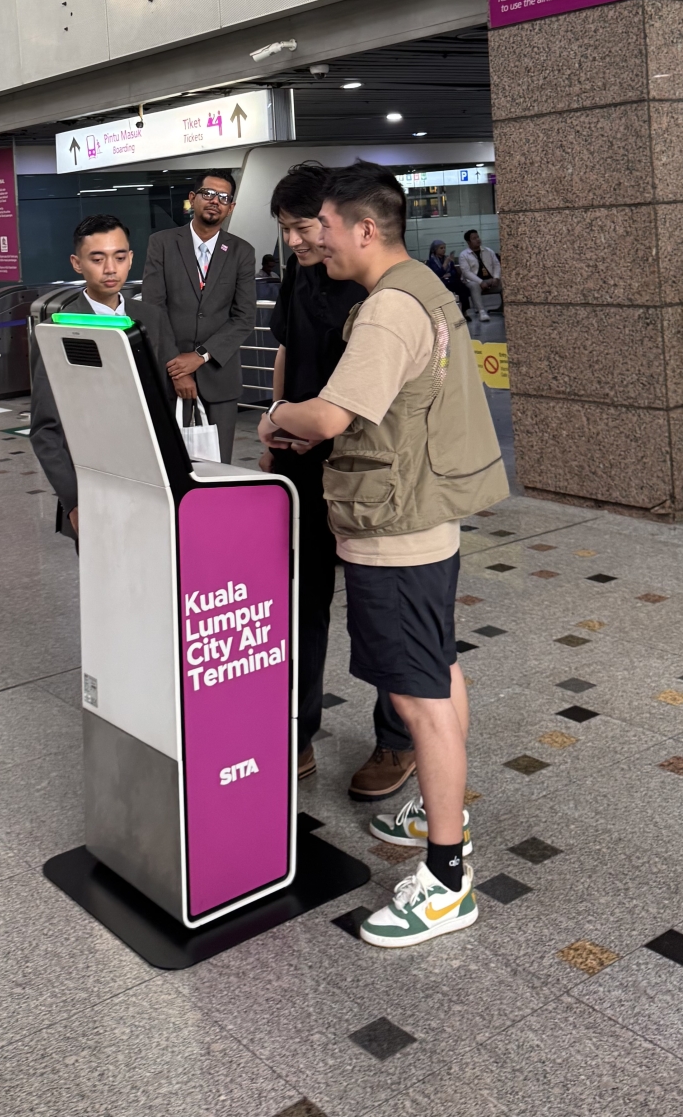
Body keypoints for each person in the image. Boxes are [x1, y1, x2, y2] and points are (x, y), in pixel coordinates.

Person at [258, 162, 508, 948]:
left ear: (364, 228)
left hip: (394, 529)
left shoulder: (388, 308)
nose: (312, 240)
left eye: (322, 225)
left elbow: (331, 413)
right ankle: (445, 808)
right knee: (438, 671)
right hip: (425, 518)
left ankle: (444, 877)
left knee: (418, 695)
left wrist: (274, 421)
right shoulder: (424, 291)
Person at [259, 161, 415, 788]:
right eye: (287, 230)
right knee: (302, 599)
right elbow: (287, 349)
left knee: (383, 608)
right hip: (300, 462)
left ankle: (397, 740)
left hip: (365, 467)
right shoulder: (301, 277)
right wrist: (270, 435)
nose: (296, 241)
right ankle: (297, 730)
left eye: (305, 227)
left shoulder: (378, 286)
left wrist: (290, 421)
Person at [29, 214, 176, 543]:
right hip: (93, 486)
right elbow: (45, 430)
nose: (111, 268)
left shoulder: (152, 318)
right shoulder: (58, 330)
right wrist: (75, 503)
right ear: (77, 263)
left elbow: (165, 402)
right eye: (97, 258)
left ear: (130, 259)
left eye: (120, 257)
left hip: (153, 483)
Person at [140, 171, 255, 463]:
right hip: (170, 376)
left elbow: (243, 318)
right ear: (192, 199)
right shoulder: (162, 243)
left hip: (220, 378)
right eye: (208, 194)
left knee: (218, 465)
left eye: (224, 198)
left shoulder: (242, 251)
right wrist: (180, 369)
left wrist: (200, 357)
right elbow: (154, 310)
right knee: (171, 464)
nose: (215, 201)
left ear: (231, 207)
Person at [458, 230, 501, 325]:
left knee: (506, 283)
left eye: (478, 237)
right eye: (474, 238)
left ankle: (506, 306)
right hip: (473, 281)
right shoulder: (464, 255)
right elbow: (466, 272)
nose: (478, 239)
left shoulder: (488, 251)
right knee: (474, 286)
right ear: (468, 242)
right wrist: (480, 282)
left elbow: (496, 264)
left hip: (490, 280)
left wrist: (496, 277)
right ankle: (481, 311)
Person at [427, 239, 469, 317]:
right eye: (441, 248)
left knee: (463, 289)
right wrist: (445, 264)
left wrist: (448, 272)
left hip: (451, 280)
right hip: (440, 283)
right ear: (435, 250)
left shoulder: (447, 258)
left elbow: (453, 272)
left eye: (444, 248)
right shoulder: (431, 261)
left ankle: (464, 311)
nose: (444, 250)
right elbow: (437, 274)